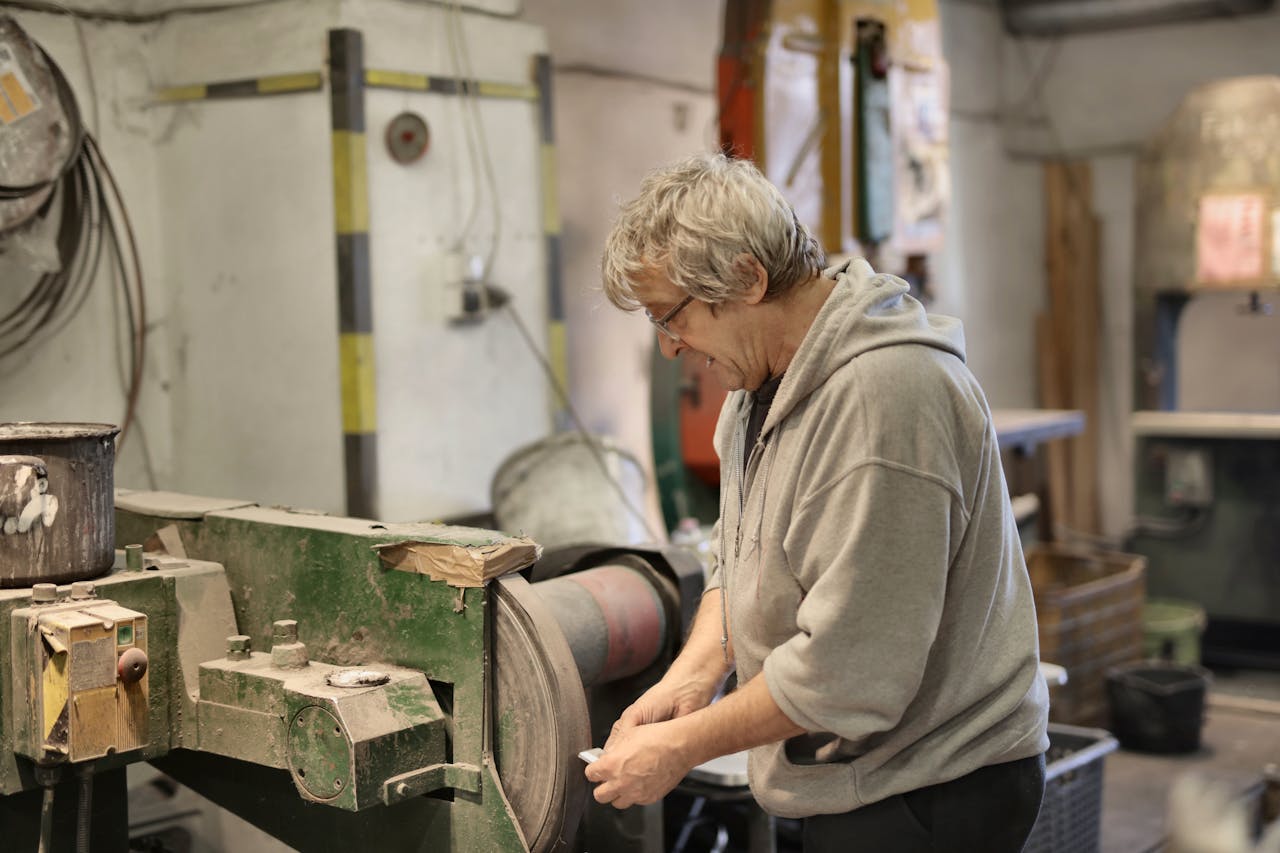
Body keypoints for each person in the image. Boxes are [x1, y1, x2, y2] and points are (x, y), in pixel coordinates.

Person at [585, 152, 1049, 852]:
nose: (671, 349)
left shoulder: (884, 398)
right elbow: (740, 558)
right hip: (855, 772)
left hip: (929, 788)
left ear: (747, 278)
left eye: (671, 318)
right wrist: (693, 675)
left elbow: (852, 674)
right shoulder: (757, 391)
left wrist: (682, 745)